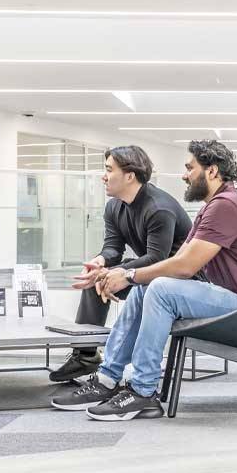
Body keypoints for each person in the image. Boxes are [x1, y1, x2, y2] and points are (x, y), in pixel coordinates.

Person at [52, 140, 237, 420]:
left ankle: (143, 391)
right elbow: (175, 261)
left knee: (158, 288)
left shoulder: (226, 206)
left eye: (190, 168)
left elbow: (185, 267)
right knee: (149, 284)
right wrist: (131, 277)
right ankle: (107, 379)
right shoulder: (212, 207)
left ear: (211, 172)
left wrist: (128, 274)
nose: (184, 175)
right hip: (232, 297)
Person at [49, 145, 193, 383]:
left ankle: (123, 368)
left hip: (174, 276)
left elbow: (158, 258)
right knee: (97, 276)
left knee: (108, 275)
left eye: (108, 170)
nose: (103, 176)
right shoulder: (114, 206)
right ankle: (85, 356)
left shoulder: (158, 208)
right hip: (146, 269)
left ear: (129, 175)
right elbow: (113, 247)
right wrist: (101, 261)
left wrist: (118, 273)